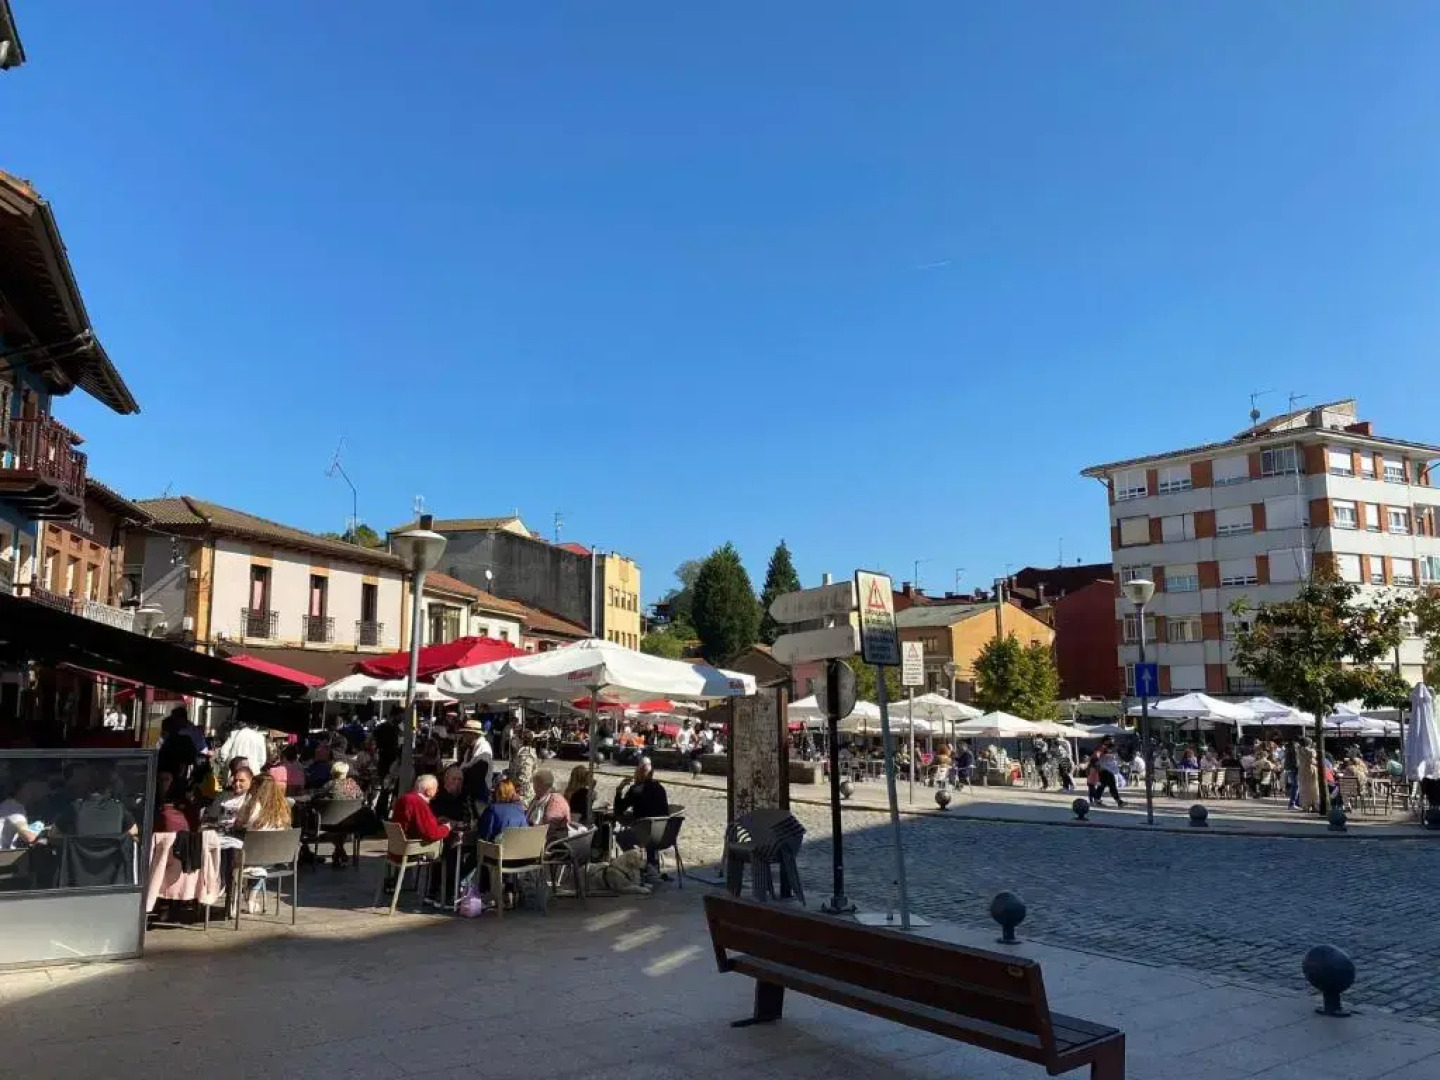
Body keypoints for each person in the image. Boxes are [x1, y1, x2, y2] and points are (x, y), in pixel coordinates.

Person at [617, 758, 670, 870]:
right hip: (663, 835)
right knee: (647, 832)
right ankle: (651, 866)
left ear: (639, 772)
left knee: (621, 837)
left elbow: (619, 809)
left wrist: (619, 790)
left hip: (644, 834)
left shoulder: (637, 789)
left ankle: (636, 864)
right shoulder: (660, 788)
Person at [527, 769, 571, 842]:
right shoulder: (538, 798)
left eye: (535, 784)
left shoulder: (556, 802)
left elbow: (548, 830)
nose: (534, 787)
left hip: (552, 843)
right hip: (535, 836)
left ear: (542, 785)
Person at [510, 729, 538, 801]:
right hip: (519, 792)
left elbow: (524, 777)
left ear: (521, 740)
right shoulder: (522, 753)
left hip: (523, 795)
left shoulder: (526, 755)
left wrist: (516, 791)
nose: (513, 741)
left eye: (515, 738)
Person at [1095, 740, 1124, 807]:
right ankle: (1119, 801)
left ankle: (1097, 800)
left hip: (1104, 772)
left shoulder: (1104, 755)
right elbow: (1119, 763)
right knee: (1111, 787)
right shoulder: (1112, 756)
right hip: (1107, 772)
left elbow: (1098, 764)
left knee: (1103, 786)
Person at [1295, 739, 1320, 812]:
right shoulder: (1311, 751)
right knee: (1314, 787)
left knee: (1303, 788)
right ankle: (1315, 805)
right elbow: (1312, 759)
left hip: (1302, 770)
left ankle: (1306, 805)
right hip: (1310, 769)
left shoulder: (1299, 750)